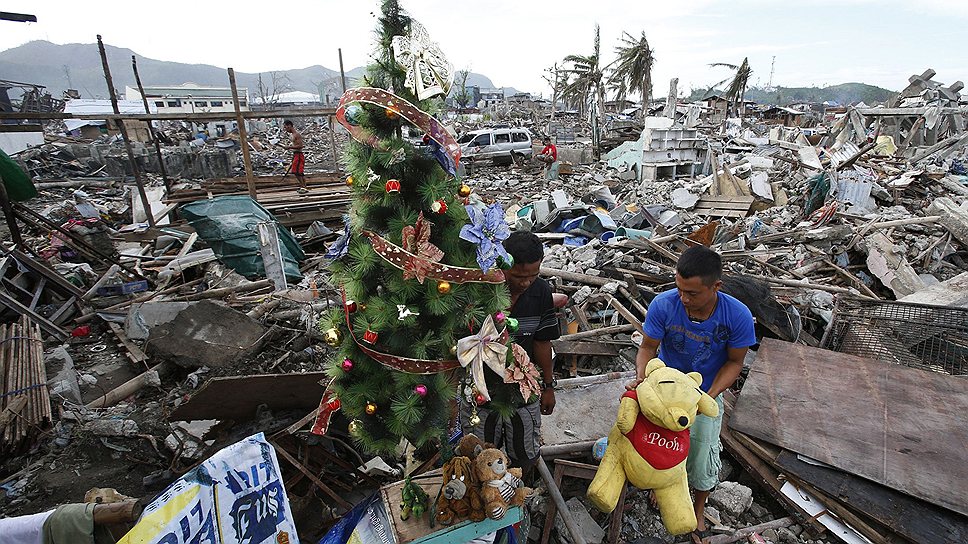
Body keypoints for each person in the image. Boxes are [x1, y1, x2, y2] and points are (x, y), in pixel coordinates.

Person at [626, 246, 756, 544]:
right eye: (680, 289)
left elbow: (735, 362)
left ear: (716, 287)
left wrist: (707, 396)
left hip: (705, 391)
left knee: (700, 455)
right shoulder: (664, 305)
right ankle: (665, 488)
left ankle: (697, 508)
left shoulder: (736, 315)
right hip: (666, 391)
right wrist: (642, 379)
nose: (684, 299)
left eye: (693, 293)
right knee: (661, 447)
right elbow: (647, 348)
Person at [463, 231, 560, 474]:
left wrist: (548, 385)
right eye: (518, 276)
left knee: (525, 453)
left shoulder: (541, 293)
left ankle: (519, 494)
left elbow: (542, 342)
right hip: (481, 389)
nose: (525, 282)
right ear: (503, 264)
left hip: (523, 389)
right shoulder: (481, 290)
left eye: (533, 276)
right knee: (480, 457)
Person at [282, 120, 306, 191]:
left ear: (289, 126)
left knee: (297, 172)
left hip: (299, 155)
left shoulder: (296, 134)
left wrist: (289, 147)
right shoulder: (292, 135)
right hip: (296, 154)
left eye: (285, 127)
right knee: (297, 171)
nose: (285, 129)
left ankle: (303, 187)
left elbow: (300, 146)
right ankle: (303, 186)